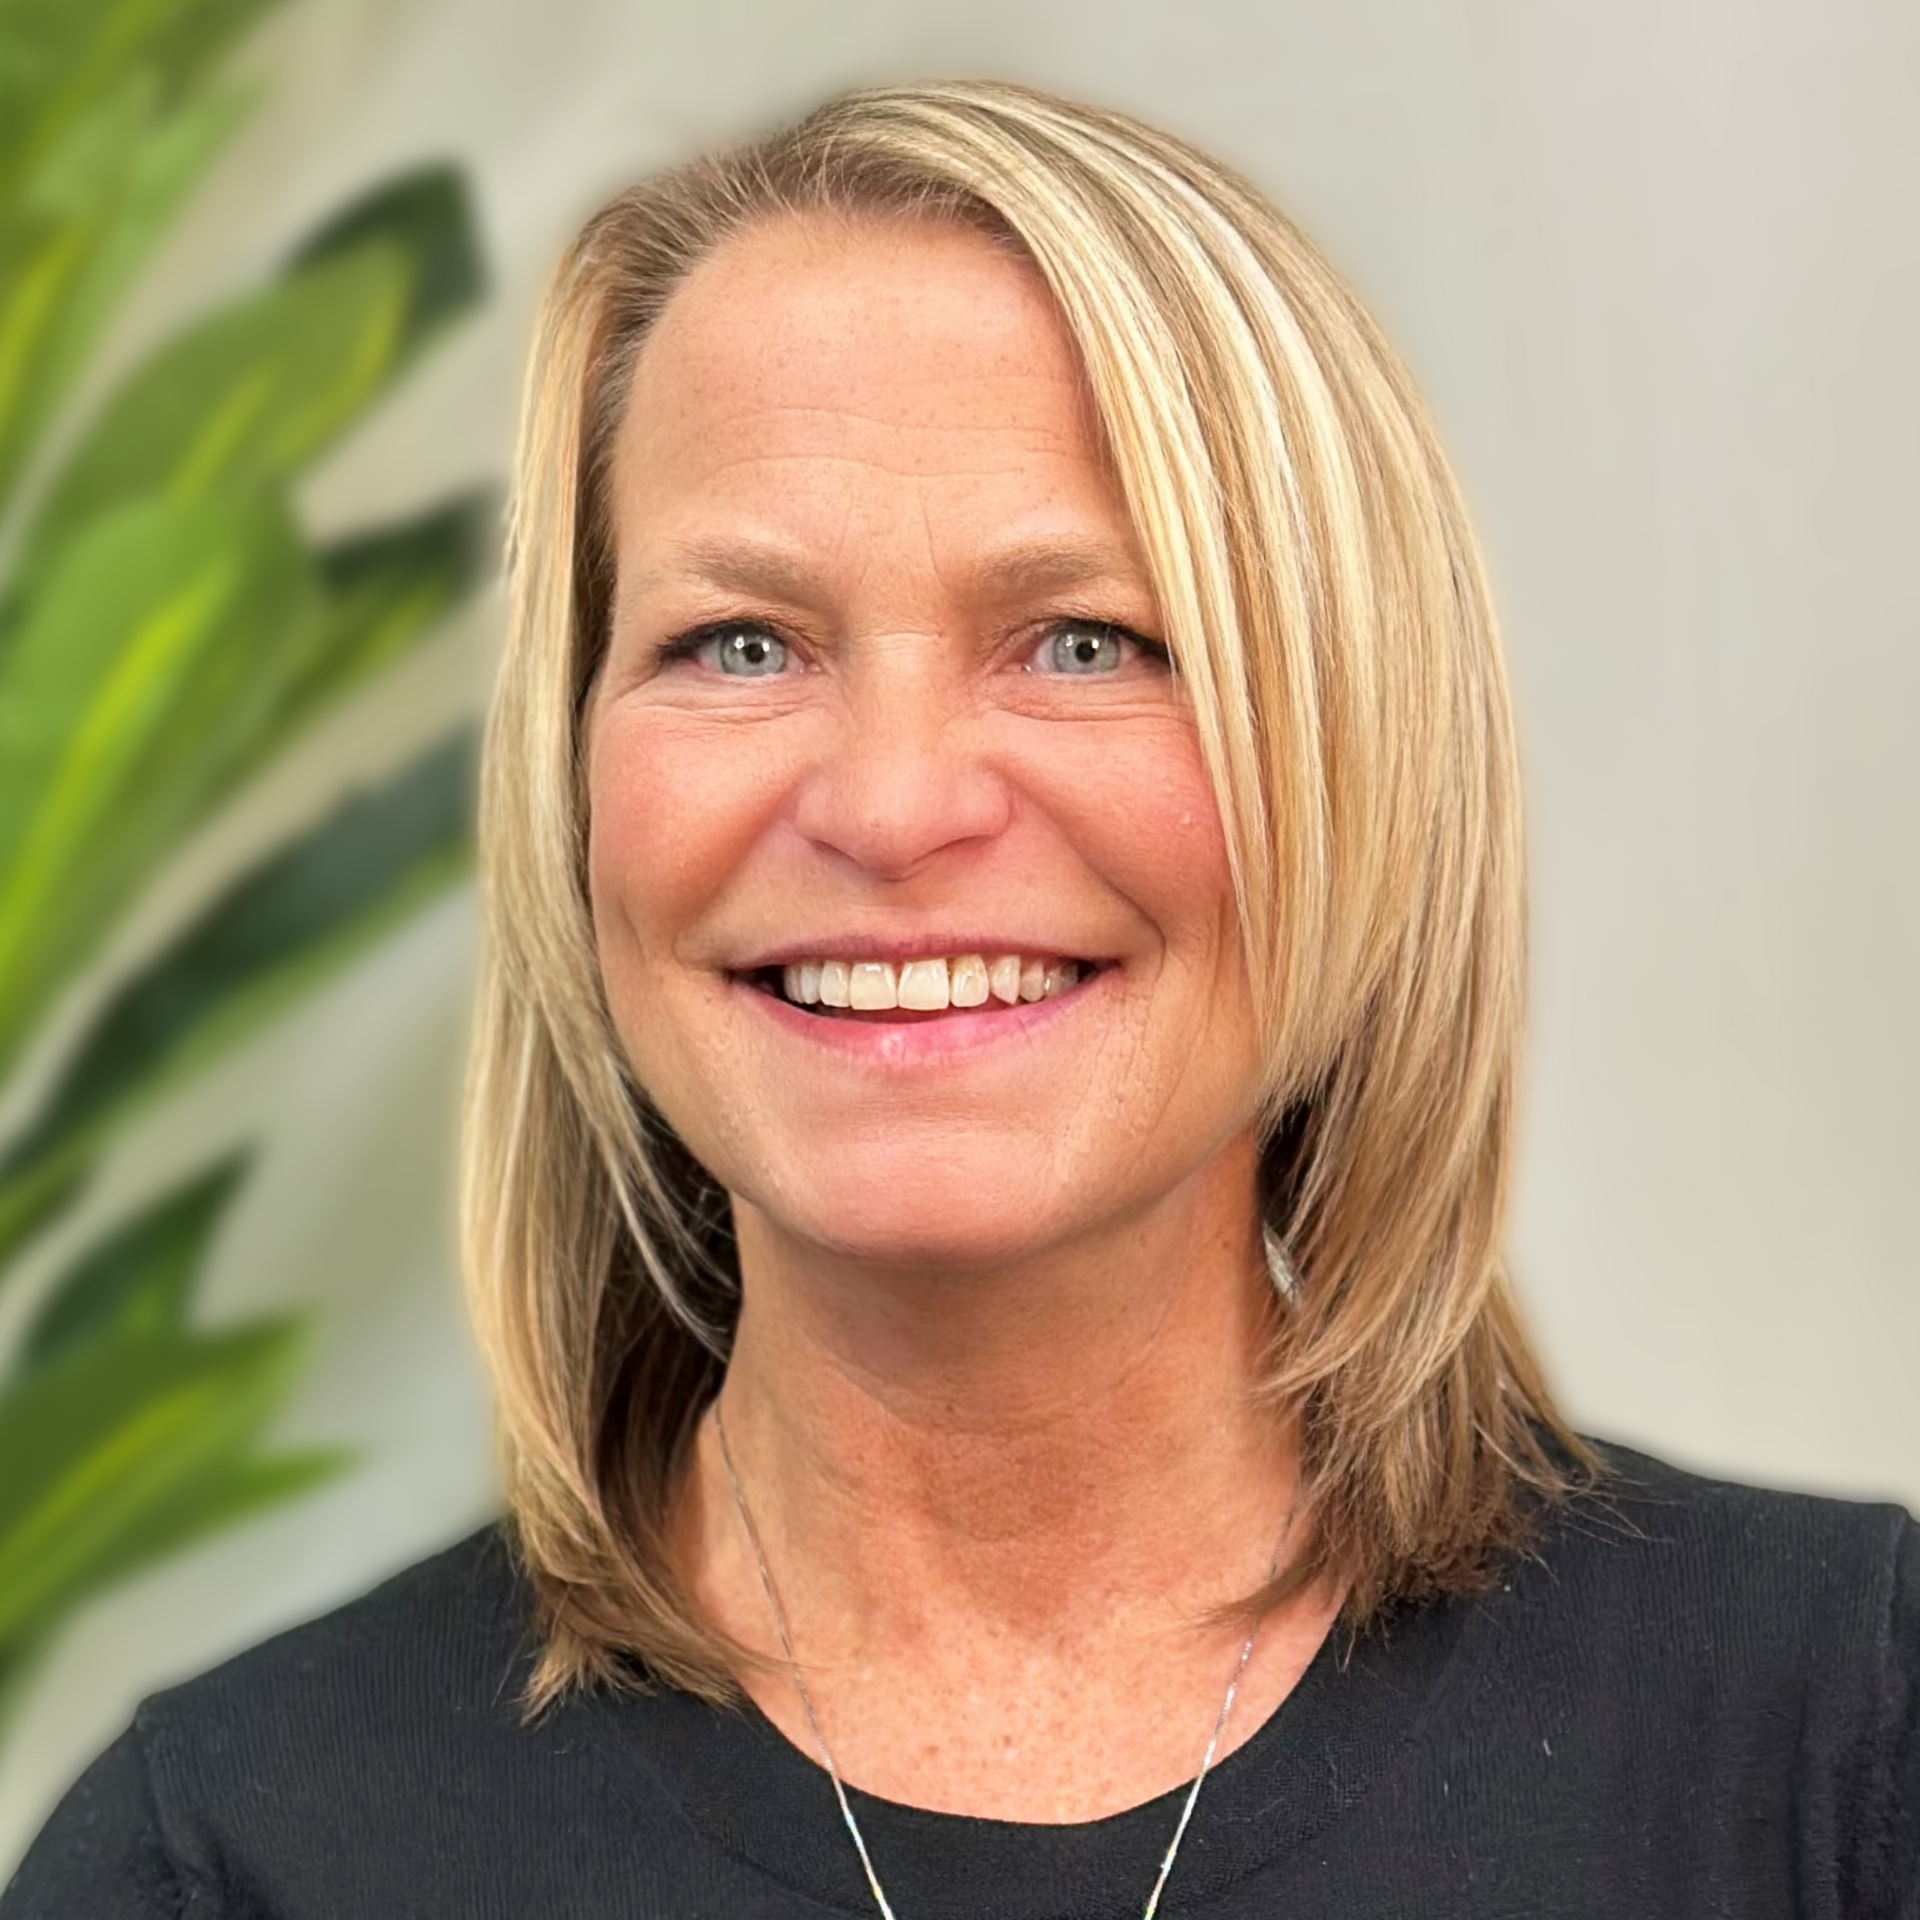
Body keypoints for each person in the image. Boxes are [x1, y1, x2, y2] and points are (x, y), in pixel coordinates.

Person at [4, 76, 1915, 1920]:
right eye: (736, 641)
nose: (897, 805)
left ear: (1362, 752)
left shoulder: (1845, 1752)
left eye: (1089, 640)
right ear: (572, 778)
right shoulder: (232, 1864)